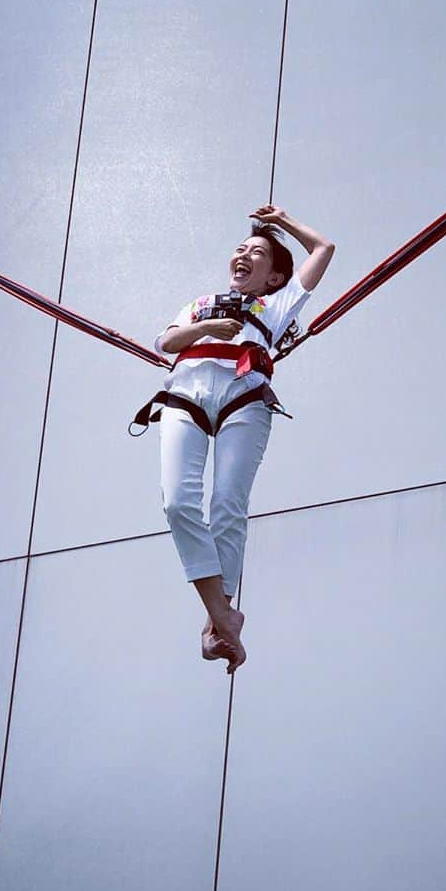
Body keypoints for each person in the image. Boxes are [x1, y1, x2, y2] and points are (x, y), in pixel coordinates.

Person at [152, 205, 335, 674]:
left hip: (244, 398)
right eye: (241, 248)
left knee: (228, 505)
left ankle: (216, 622)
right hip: (185, 397)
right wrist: (209, 328)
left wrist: (284, 222)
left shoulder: (277, 305)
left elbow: (324, 248)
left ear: (274, 278)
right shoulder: (200, 304)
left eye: (257, 253)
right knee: (177, 504)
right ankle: (223, 619)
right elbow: (165, 343)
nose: (244, 254)